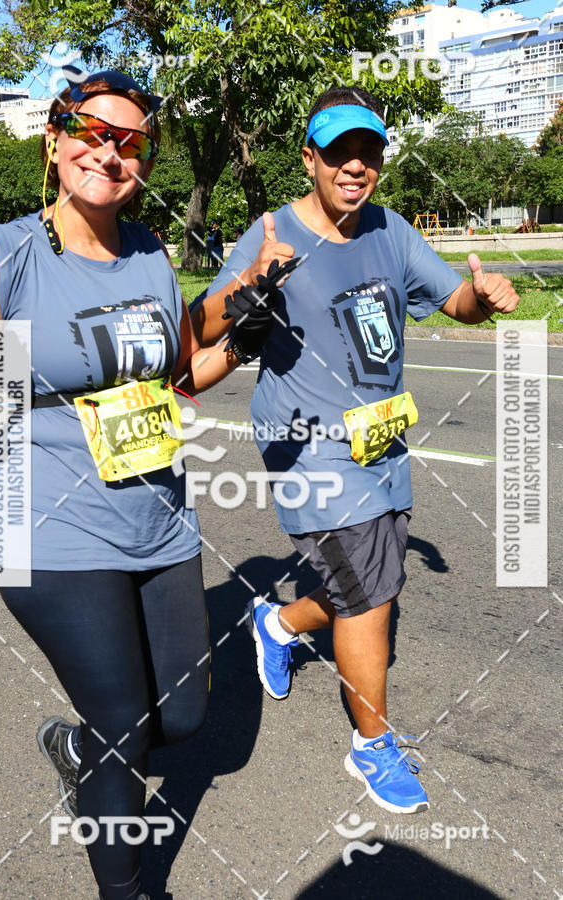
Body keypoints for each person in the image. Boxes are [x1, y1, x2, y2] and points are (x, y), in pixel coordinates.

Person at [0, 68, 278, 899]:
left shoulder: (147, 254)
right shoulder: (6, 255)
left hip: (161, 522)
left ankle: (73, 752)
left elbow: (174, 375)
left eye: (129, 141)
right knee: (126, 728)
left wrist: (241, 340)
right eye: (90, 131)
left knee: (184, 720)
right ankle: (128, 889)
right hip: (48, 528)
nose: (107, 150)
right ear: (54, 139)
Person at [192, 86, 520, 814]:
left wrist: (482, 296)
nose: (354, 166)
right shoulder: (272, 232)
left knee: (364, 583)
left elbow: (450, 302)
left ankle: (273, 622)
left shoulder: (390, 230)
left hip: (382, 446)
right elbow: (206, 332)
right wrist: (248, 287)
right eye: (338, 152)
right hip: (308, 451)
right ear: (309, 159)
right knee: (371, 596)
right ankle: (371, 745)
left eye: (367, 153)